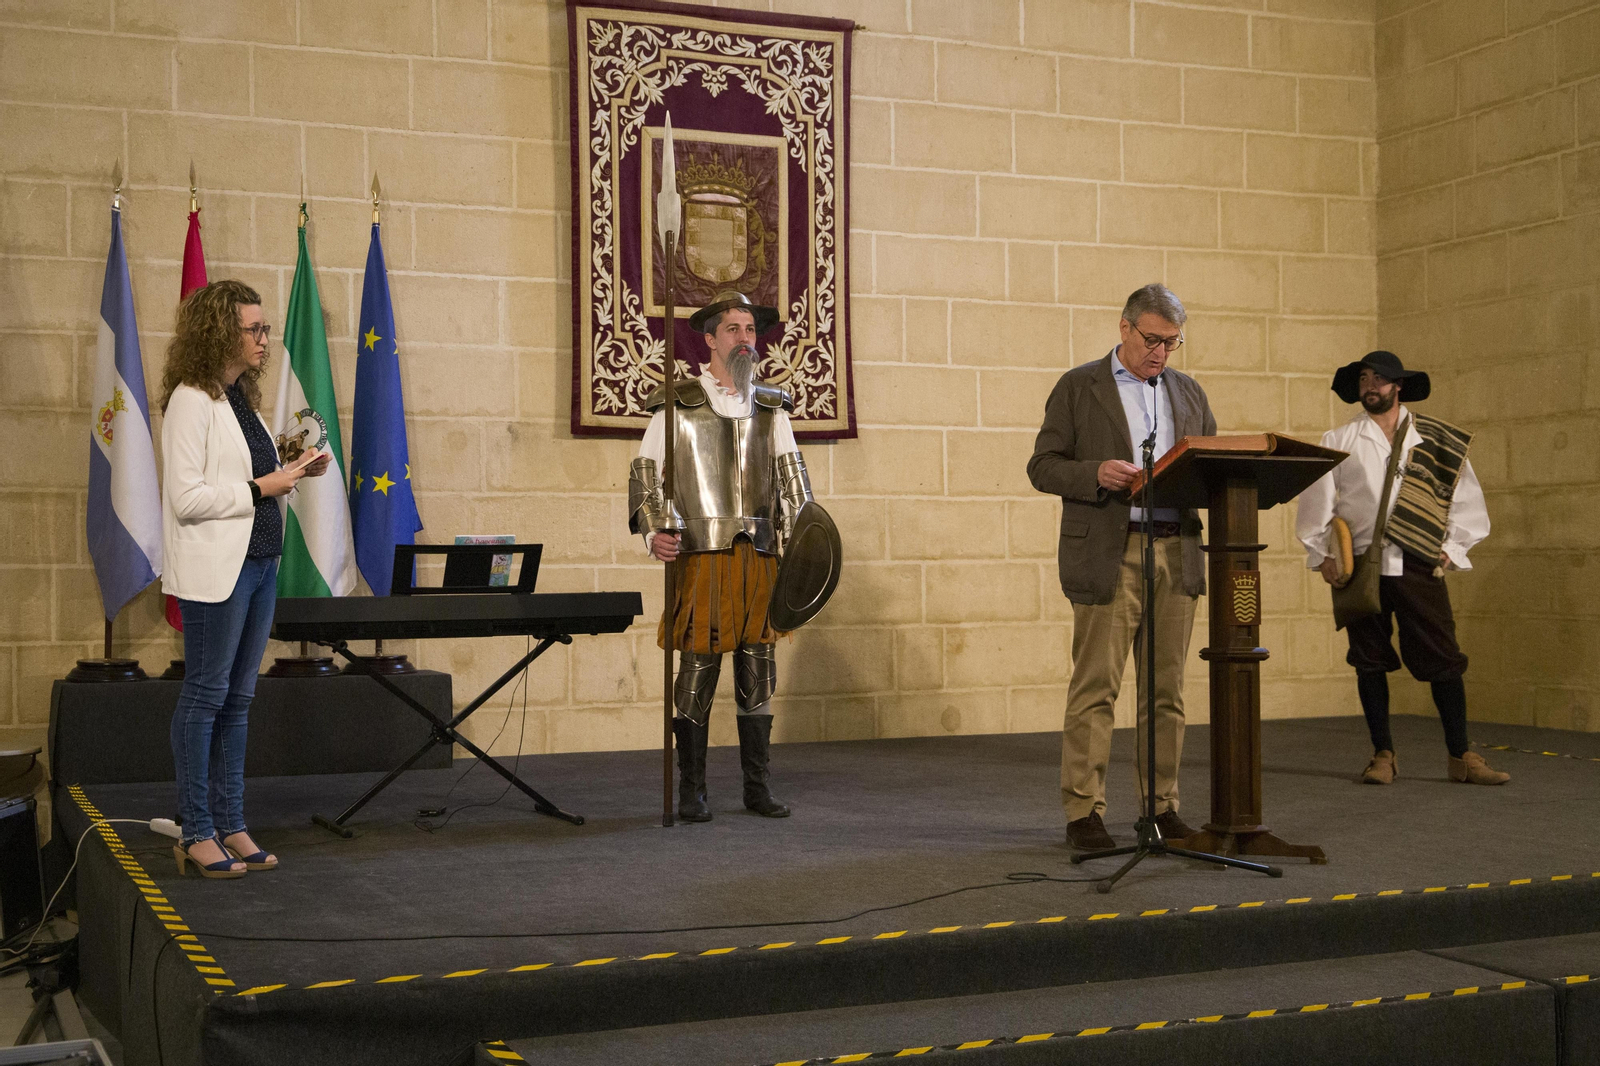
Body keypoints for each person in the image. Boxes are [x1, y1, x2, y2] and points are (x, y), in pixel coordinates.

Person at [1027, 283, 1216, 851]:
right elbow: (1042, 465)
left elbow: (1211, 463)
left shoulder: (1188, 391)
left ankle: (1161, 809)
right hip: (1113, 549)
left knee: (1167, 693)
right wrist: (1094, 474)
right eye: (1152, 339)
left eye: (1172, 342)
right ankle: (1084, 813)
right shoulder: (1079, 386)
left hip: (1175, 549)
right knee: (1097, 688)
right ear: (1125, 327)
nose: (1161, 352)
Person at [159, 280, 329, 878]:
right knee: (206, 695)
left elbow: (253, 478)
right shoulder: (191, 399)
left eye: (264, 328)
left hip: (259, 565)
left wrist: (294, 470)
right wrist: (263, 486)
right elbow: (186, 498)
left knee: (239, 699)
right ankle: (196, 831)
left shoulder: (240, 400)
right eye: (253, 329)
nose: (264, 339)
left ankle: (231, 823)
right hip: (217, 571)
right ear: (218, 333)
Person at [628, 291, 816, 822]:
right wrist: (655, 532)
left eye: (750, 329)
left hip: (760, 558)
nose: (744, 338)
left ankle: (757, 787)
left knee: (758, 671)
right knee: (698, 672)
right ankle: (693, 791)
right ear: (709, 339)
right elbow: (646, 474)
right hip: (702, 558)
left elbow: (794, 484)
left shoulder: (772, 408)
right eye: (733, 329)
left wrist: (805, 546)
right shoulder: (677, 404)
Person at [1295, 351, 1508, 786]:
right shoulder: (1339, 438)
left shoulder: (1434, 439)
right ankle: (1383, 755)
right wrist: (1323, 556)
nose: (1370, 386)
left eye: (1379, 379)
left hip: (1418, 562)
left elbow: (1465, 499)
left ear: (1398, 386)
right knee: (1368, 660)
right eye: (1364, 379)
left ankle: (1461, 755)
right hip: (1360, 565)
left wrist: (1451, 549)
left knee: (1444, 658)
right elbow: (1317, 504)